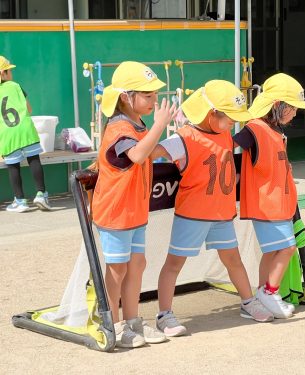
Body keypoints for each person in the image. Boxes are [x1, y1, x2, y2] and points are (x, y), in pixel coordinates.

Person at [155, 80, 274, 337]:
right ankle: (164, 314)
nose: (234, 123)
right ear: (212, 115)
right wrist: (158, 127)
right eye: (230, 118)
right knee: (174, 264)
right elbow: (149, 154)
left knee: (233, 260)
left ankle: (247, 301)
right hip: (193, 215)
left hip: (221, 214)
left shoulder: (223, 134)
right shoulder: (183, 138)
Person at [92, 61, 178, 348]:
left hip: (135, 211)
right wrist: (160, 126)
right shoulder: (118, 128)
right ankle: (112, 323)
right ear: (126, 97)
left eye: (154, 95)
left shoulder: (137, 124)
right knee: (117, 269)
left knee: (137, 264)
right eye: (148, 95)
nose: (154, 100)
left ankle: (133, 321)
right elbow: (138, 155)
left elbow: (150, 150)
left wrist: (175, 140)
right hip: (116, 213)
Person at [233, 73, 305, 319]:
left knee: (271, 251)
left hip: (277, 203)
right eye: (293, 108)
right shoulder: (255, 129)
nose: (296, 113)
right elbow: (228, 146)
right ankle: (269, 291)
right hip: (266, 204)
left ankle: (260, 297)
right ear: (278, 106)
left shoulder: (272, 130)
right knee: (288, 247)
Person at [0, 56, 51, 212]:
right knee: (34, 159)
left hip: (8, 135)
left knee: (13, 166)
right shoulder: (15, 86)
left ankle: (20, 201)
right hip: (26, 130)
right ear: (3, 73)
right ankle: (41, 194)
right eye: (10, 71)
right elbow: (29, 109)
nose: (11, 74)